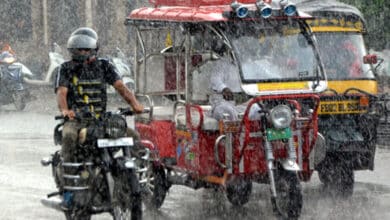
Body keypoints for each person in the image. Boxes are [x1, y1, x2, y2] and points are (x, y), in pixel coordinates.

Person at [54, 27, 144, 163]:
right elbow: (62, 92)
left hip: (101, 120)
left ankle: (138, 171)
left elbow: (121, 87)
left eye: (86, 49)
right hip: (76, 120)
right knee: (69, 137)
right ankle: (69, 171)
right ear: (72, 50)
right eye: (79, 49)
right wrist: (65, 110)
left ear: (94, 49)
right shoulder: (65, 68)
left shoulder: (104, 65)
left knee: (133, 137)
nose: (83, 52)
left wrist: (135, 104)